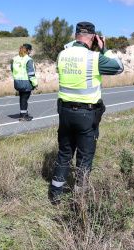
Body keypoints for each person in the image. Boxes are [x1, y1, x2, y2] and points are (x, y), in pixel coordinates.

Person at [51, 21, 124, 201]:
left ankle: (55, 195)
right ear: (93, 38)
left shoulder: (62, 55)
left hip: (65, 113)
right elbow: (119, 67)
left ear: (76, 35)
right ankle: (79, 199)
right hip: (86, 115)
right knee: (84, 158)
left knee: (64, 153)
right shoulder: (94, 57)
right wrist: (105, 48)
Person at [11, 43, 38, 121]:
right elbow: (31, 74)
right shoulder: (28, 59)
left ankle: (23, 113)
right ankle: (23, 116)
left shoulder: (15, 59)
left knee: (22, 98)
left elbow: (12, 69)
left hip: (17, 82)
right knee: (24, 98)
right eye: (30, 50)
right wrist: (35, 84)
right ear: (28, 50)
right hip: (26, 83)